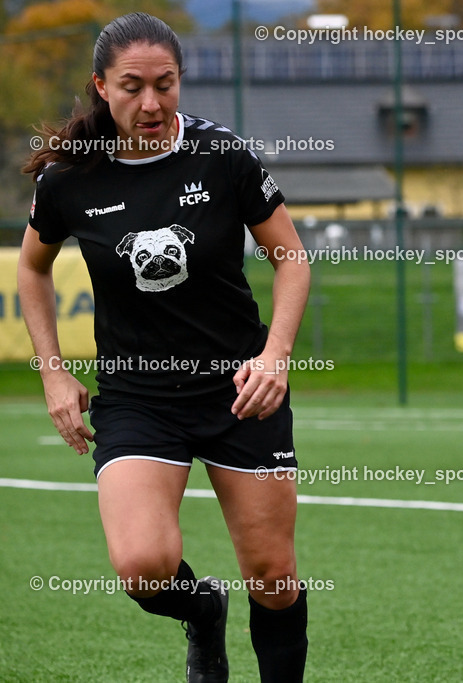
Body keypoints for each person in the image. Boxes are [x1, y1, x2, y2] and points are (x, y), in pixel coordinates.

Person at [18, 13, 311, 682]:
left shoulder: (224, 156)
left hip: (240, 387)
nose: (151, 103)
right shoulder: (69, 176)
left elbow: (292, 258)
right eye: (132, 87)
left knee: (272, 572)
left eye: (166, 84)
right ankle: (204, 612)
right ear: (101, 86)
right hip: (138, 396)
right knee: (142, 565)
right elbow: (31, 269)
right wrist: (54, 374)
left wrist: (276, 356)